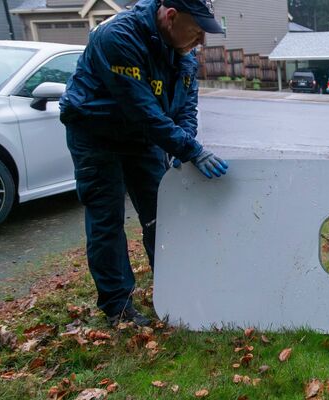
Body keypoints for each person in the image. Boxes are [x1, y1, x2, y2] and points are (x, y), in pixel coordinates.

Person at [60, 0, 229, 327]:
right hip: (96, 131)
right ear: (170, 17)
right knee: (107, 218)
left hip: (143, 136)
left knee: (162, 216)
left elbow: (185, 110)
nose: (201, 42)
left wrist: (185, 145)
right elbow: (143, 110)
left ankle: (175, 289)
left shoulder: (184, 55)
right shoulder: (118, 37)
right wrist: (191, 149)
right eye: (196, 31)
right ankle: (118, 307)